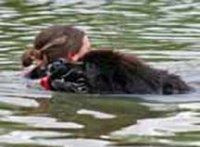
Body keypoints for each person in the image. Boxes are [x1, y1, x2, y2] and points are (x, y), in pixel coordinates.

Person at [21, 25, 191, 94]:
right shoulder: (108, 68)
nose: (93, 50)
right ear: (73, 56)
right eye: (88, 48)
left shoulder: (30, 79)